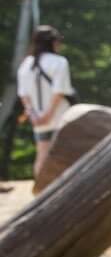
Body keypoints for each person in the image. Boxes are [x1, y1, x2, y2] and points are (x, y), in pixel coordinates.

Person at [16, 25, 74, 180]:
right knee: (63, 155)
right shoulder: (59, 62)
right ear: (53, 42)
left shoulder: (25, 65)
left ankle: (40, 192)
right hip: (60, 117)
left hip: (38, 120)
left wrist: (34, 115)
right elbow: (59, 92)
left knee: (41, 154)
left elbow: (23, 94)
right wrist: (48, 115)